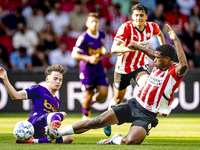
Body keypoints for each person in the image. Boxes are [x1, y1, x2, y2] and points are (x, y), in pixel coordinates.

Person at [45, 24, 188, 145]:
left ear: (167, 59)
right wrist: (139, 47)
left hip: (148, 115)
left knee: (130, 141)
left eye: (157, 58)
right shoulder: (159, 63)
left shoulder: (174, 72)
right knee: (96, 121)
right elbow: (152, 53)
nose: (153, 60)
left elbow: (184, 65)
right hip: (134, 105)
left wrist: (176, 40)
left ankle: (114, 140)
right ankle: (56, 133)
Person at [103, 3, 165, 136]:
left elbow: (159, 33)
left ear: (146, 17)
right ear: (132, 16)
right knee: (118, 99)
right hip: (123, 68)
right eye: (136, 15)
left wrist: (163, 49)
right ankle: (108, 118)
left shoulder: (151, 27)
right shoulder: (126, 27)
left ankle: (142, 122)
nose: (139, 18)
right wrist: (130, 48)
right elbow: (114, 48)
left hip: (140, 65)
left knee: (147, 88)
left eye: (141, 15)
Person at [0, 64, 73, 144]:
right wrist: (5, 78)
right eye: (55, 79)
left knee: (70, 137)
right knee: (63, 114)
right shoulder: (38, 89)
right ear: (47, 79)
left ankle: (34, 141)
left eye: (60, 80)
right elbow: (15, 96)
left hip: (44, 129)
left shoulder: (58, 101)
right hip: (35, 122)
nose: (58, 82)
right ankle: (49, 134)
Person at [71, 13, 111, 121]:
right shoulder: (83, 38)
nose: (94, 24)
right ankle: (86, 116)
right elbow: (74, 54)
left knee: (103, 94)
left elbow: (101, 47)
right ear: (87, 24)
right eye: (92, 22)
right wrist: (89, 58)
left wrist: (105, 51)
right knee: (88, 94)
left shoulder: (102, 35)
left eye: (96, 22)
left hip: (99, 69)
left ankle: (90, 102)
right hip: (87, 71)